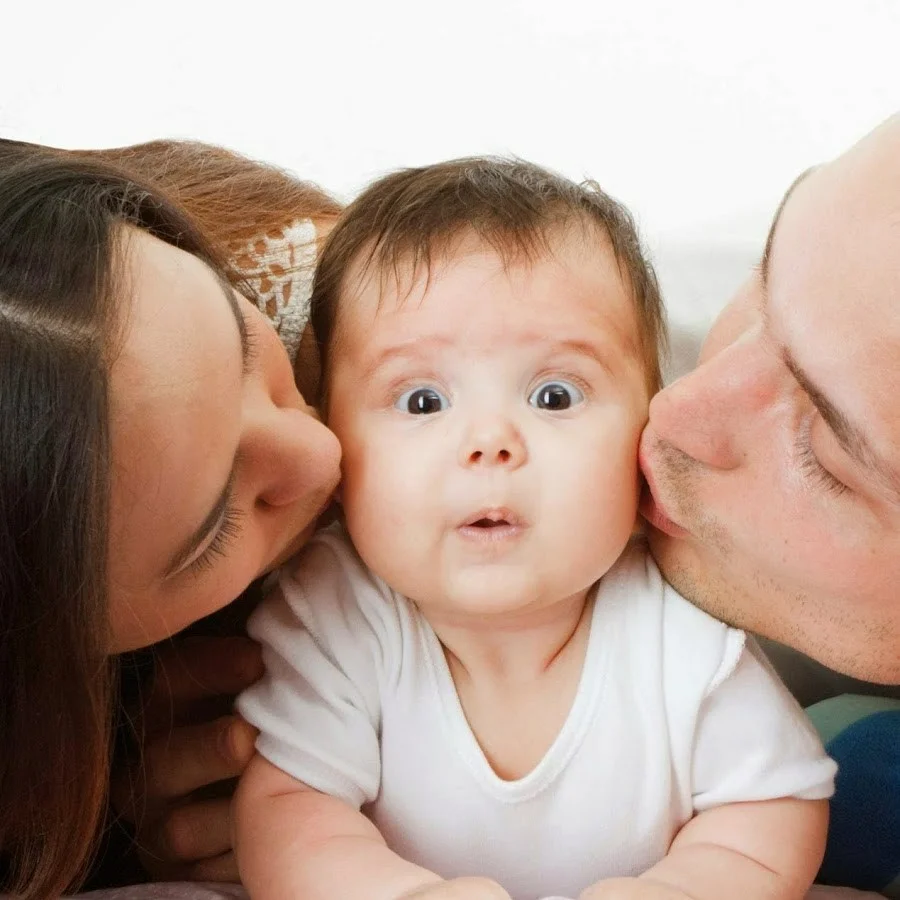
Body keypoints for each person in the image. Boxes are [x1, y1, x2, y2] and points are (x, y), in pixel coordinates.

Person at [233, 157, 835, 900]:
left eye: (554, 395)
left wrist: (684, 888)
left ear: (647, 432)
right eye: (421, 402)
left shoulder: (679, 616)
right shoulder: (339, 610)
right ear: (336, 447)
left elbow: (770, 801)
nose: (490, 441)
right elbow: (293, 812)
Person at [0, 139, 343, 899]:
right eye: (216, 526)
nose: (321, 451)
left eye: (245, 337)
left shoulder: (304, 271)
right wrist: (113, 835)